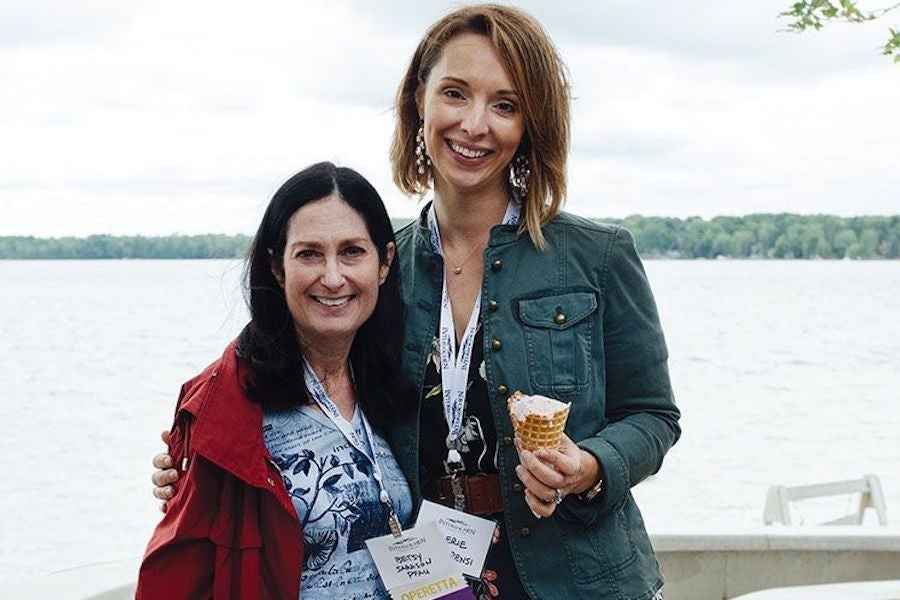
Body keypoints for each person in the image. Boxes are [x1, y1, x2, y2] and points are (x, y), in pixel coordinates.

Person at [153, 5, 680, 599]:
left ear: (531, 123)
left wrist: (589, 467)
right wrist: (199, 464)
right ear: (419, 105)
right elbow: (298, 383)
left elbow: (654, 416)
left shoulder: (597, 255)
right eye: (455, 93)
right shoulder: (376, 269)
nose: (474, 124)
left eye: (504, 105)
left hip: (582, 578)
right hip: (430, 576)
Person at [137, 161, 415, 599]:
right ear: (277, 267)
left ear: (384, 262)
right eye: (309, 254)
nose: (333, 277)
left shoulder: (394, 382)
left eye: (352, 251)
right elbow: (175, 578)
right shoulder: (225, 405)